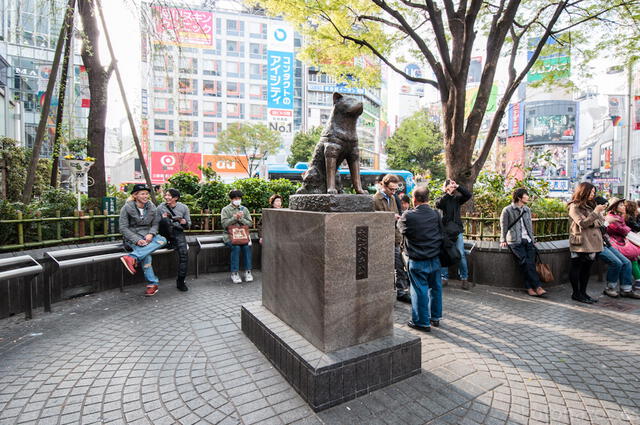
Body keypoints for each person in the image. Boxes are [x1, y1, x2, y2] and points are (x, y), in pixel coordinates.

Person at [397, 186, 443, 332]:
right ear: (428, 199)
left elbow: (401, 229)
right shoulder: (436, 214)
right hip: (435, 258)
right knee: (435, 288)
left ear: (414, 199)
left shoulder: (408, 215)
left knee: (419, 290)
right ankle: (435, 317)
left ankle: (421, 322)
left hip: (417, 259)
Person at [119, 184, 167, 296]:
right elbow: (123, 228)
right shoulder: (126, 208)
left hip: (148, 236)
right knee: (146, 255)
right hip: (132, 237)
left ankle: (132, 257)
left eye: (146, 194)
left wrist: (151, 234)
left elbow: (155, 224)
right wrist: (136, 240)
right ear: (135, 195)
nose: (145, 196)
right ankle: (152, 284)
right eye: (142, 194)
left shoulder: (152, 207)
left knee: (162, 240)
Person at [500, 188, 547, 297]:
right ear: (519, 197)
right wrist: (503, 239)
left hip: (528, 240)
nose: (528, 197)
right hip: (515, 241)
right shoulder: (507, 210)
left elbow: (529, 226)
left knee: (528, 263)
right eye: (526, 195)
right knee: (526, 262)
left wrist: (532, 239)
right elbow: (504, 226)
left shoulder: (527, 210)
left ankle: (529, 287)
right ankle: (537, 286)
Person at [373, 174, 410, 303]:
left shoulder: (393, 198)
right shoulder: (375, 199)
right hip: (382, 239)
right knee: (386, 268)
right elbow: (373, 219)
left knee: (399, 266)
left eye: (395, 189)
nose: (393, 192)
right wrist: (390, 216)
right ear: (384, 185)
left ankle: (400, 292)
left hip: (395, 237)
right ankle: (388, 292)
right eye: (391, 189)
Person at [567, 183, 605, 304]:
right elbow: (582, 223)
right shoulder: (575, 206)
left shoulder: (592, 205)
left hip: (592, 242)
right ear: (584, 191)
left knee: (587, 269)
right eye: (591, 192)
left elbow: (601, 221)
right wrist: (595, 214)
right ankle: (576, 293)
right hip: (580, 241)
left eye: (594, 192)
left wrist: (593, 220)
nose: (593, 194)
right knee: (576, 267)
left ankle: (583, 292)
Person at [436, 179, 472, 289]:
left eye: (453, 186)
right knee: (444, 253)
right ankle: (444, 278)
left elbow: (468, 195)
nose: (452, 187)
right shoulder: (441, 198)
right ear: (445, 187)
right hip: (445, 232)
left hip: (457, 231)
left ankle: (464, 278)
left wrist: (458, 186)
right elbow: (439, 204)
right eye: (450, 185)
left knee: (460, 254)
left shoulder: (457, 199)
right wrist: (447, 193)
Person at [157, 188, 191, 292]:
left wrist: (184, 222)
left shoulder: (184, 207)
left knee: (184, 255)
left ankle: (181, 281)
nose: (166, 197)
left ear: (175, 198)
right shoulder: (160, 208)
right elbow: (155, 223)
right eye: (166, 195)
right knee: (165, 220)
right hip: (165, 235)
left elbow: (189, 225)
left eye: (169, 196)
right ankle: (171, 242)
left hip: (178, 232)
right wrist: (164, 220)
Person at [605, 197, 640, 293]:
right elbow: (622, 230)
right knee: (623, 262)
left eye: (623, 204)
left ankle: (627, 287)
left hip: (621, 242)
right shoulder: (612, 217)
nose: (624, 206)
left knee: (630, 261)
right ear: (615, 207)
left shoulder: (619, 216)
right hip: (614, 244)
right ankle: (612, 287)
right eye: (621, 205)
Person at [221, 189, 253, 284]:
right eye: (235, 198)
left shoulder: (244, 209)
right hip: (230, 236)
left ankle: (248, 271)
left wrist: (241, 219)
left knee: (246, 247)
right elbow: (224, 224)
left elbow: (250, 224)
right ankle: (234, 273)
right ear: (231, 199)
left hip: (242, 236)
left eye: (239, 198)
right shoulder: (226, 210)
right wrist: (235, 218)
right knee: (236, 247)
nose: (238, 200)